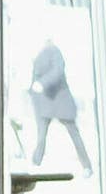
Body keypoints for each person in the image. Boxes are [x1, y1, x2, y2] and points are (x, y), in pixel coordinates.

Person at [25, 37, 90, 172]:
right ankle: (35, 163)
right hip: (46, 101)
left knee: (73, 134)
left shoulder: (53, 51)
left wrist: (42, 84)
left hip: (59, 101)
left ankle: (87, 166)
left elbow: (57, 71)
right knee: (41, 136)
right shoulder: (41, 54)